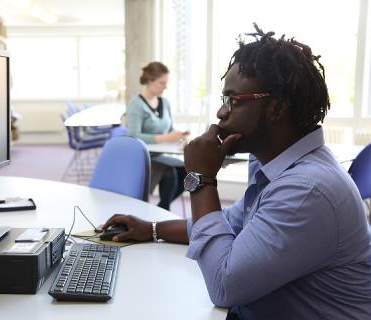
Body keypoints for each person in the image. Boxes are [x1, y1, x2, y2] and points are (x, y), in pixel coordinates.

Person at [104, 24, 371, 319]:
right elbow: (231, 224)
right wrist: (152, 229)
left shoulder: (308, 189)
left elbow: (224, 285)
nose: (221, 113)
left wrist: (202, 181)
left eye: (233, 100)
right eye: (223, 100)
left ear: (276, 109)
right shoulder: (276, 167)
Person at [126, 62, 189, 210]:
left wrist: (180, 136)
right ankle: (163, 210)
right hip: (144, 156)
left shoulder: (165, 103)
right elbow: (133, 135)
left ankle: (160, 209)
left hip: (162, 154)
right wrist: (167, 138)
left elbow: (170, 129)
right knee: (170, 172)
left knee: (187, 171)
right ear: (150, 80)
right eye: (162, 83)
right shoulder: (136, 105)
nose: (165, 87)